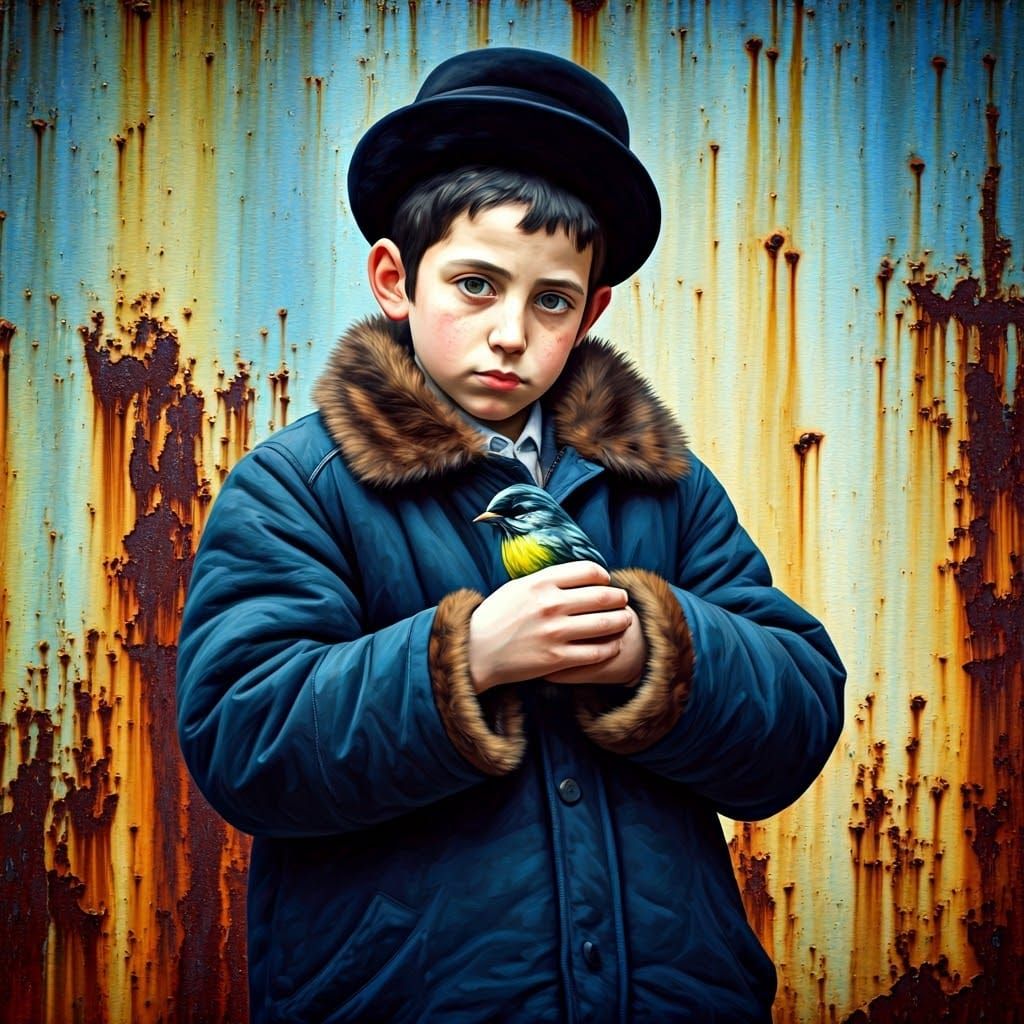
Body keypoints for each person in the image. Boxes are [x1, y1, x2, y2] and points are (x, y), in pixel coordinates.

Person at [176, 47, 845, 1023]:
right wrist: (466, 656)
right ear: (394, 279)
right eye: (476, 285)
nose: (510, 332)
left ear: (593, 311)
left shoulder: (663, 487)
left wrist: (656, 650)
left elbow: (794, 717)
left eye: (552, 300)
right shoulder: (299, 487)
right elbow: (244, 737)